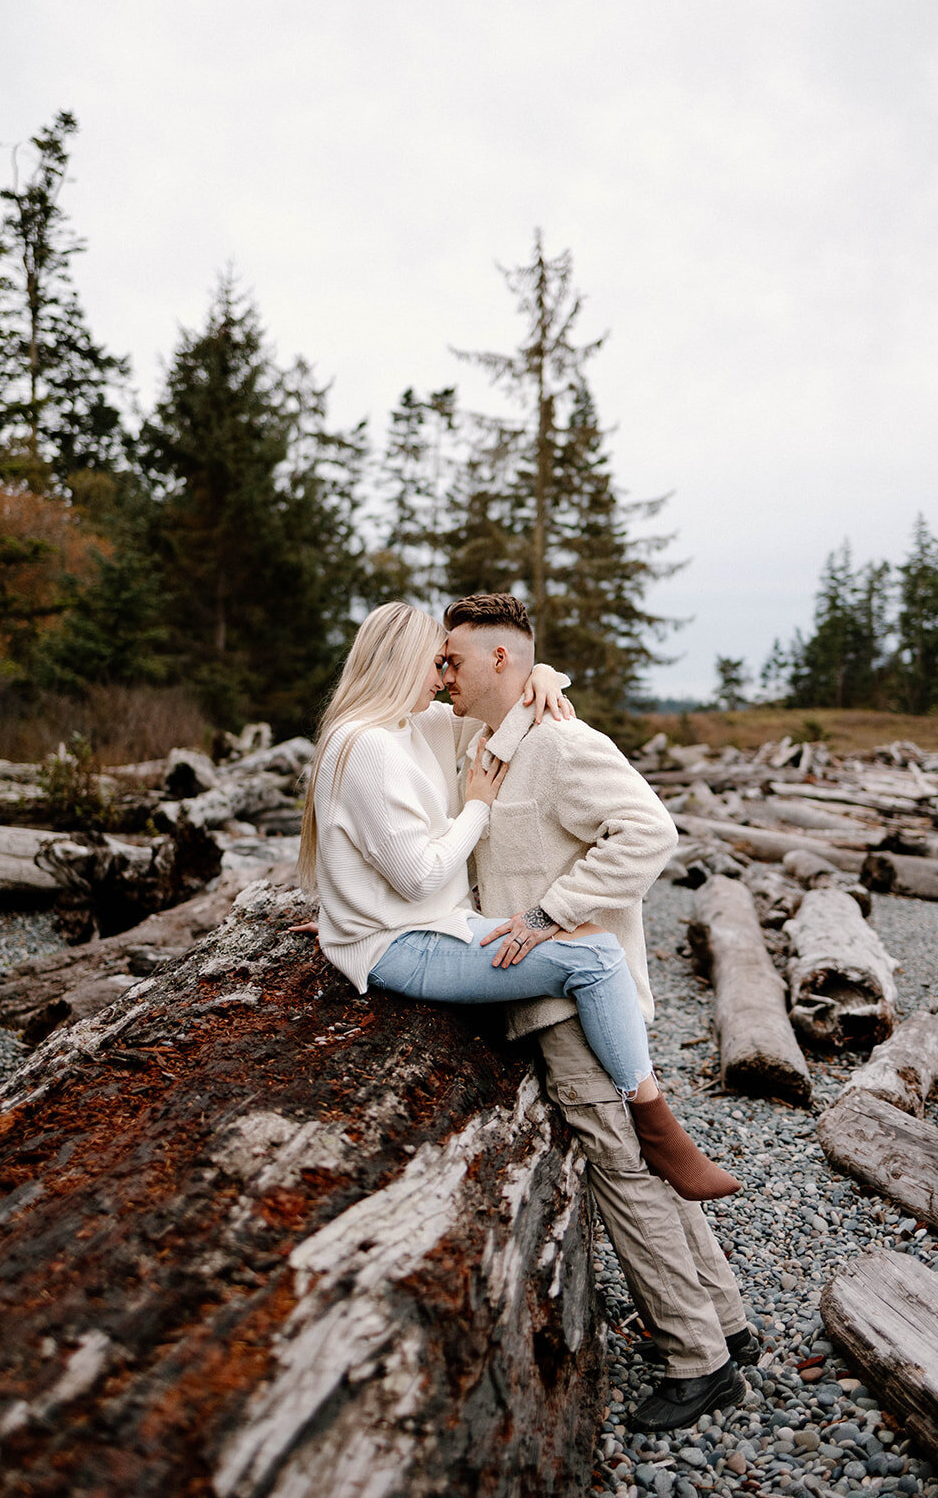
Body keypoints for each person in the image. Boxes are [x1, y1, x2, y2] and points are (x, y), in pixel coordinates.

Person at [441, 593, 755, 1433]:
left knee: (621, 1168)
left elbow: (649, 831)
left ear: (501, 660)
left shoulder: (563, 744)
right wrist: (543, 674)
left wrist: (549, 913)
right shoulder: (485, 739)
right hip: (552, 995)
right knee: (647, 1155)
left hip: (577, 1000)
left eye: (455, 660)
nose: (444, 674)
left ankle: (699, 1361)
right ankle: (725, 1319)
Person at [297, 601, 740, 1197]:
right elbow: (419, 878)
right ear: (405, 664)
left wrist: (542, 678)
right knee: (596, 956)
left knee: (596, 958)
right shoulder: (369, 744)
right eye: (436, 663)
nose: (442, 677)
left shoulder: (407, 728)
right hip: (404, 942)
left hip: (420, 929)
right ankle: (659, 1126)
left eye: (449, 663)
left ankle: (660, 1136)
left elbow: (494, 713)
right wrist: (477, 805)